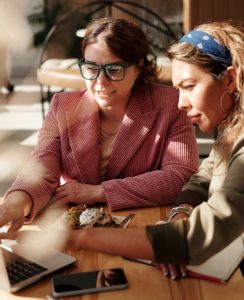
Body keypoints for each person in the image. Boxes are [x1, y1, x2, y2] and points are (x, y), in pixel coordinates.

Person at [2, 21, 244, 300]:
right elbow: (202, 177)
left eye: (188, 86)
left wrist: (74, 237)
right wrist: (17, 200)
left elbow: (191, 228)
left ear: (230, 79)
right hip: (226, 260)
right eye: (90, 68)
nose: (180, 101)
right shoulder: (238, 130)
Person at [0, 18, 198, 229]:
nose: (100, 82)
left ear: (139, 67)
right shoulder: (63, 106)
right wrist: (17, 201)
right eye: (91, 68)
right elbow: (42, 166)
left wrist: (97, 191)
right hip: (76, 224)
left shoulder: (170, 104)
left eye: (114, 69)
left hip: (142, 223)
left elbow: (180, 177)